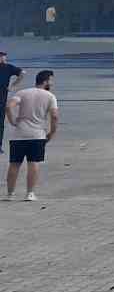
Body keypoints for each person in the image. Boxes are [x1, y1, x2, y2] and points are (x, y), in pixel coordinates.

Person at [5, 70, 58, 202]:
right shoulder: (50, 96)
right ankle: (30, 193)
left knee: (14, 164)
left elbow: (9, 106)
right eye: (51, 80)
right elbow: (55, 116)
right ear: (46, 81)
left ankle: (10, 194)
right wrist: (51, 132)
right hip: (37, 135)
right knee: (33, 163)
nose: (52, 83)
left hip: (19, 134)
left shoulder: (22, 93)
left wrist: (13, 121)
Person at [0, 49, 21, 155]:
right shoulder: (7, 67)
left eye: (4, 56)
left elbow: (22, 73)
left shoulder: (8, 67)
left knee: (0, 124)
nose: (3, 58)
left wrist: (13, 86)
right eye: (2, 56)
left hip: (1, 101)